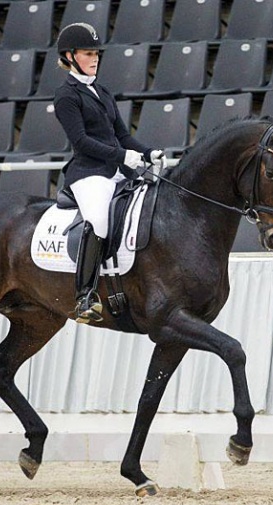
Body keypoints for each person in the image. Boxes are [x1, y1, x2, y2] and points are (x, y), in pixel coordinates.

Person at [54, 22, 166, 324]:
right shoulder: (66, 96)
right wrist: (121, 155)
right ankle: (85, 296)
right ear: (70, 55)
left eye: (96, 54)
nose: (95, 59)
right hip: (88, 173)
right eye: (88, 54)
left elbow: (123, 136)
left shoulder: (102, 92)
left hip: (115, 170)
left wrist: (147, 152)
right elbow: (81, 142)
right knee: (99, 220)